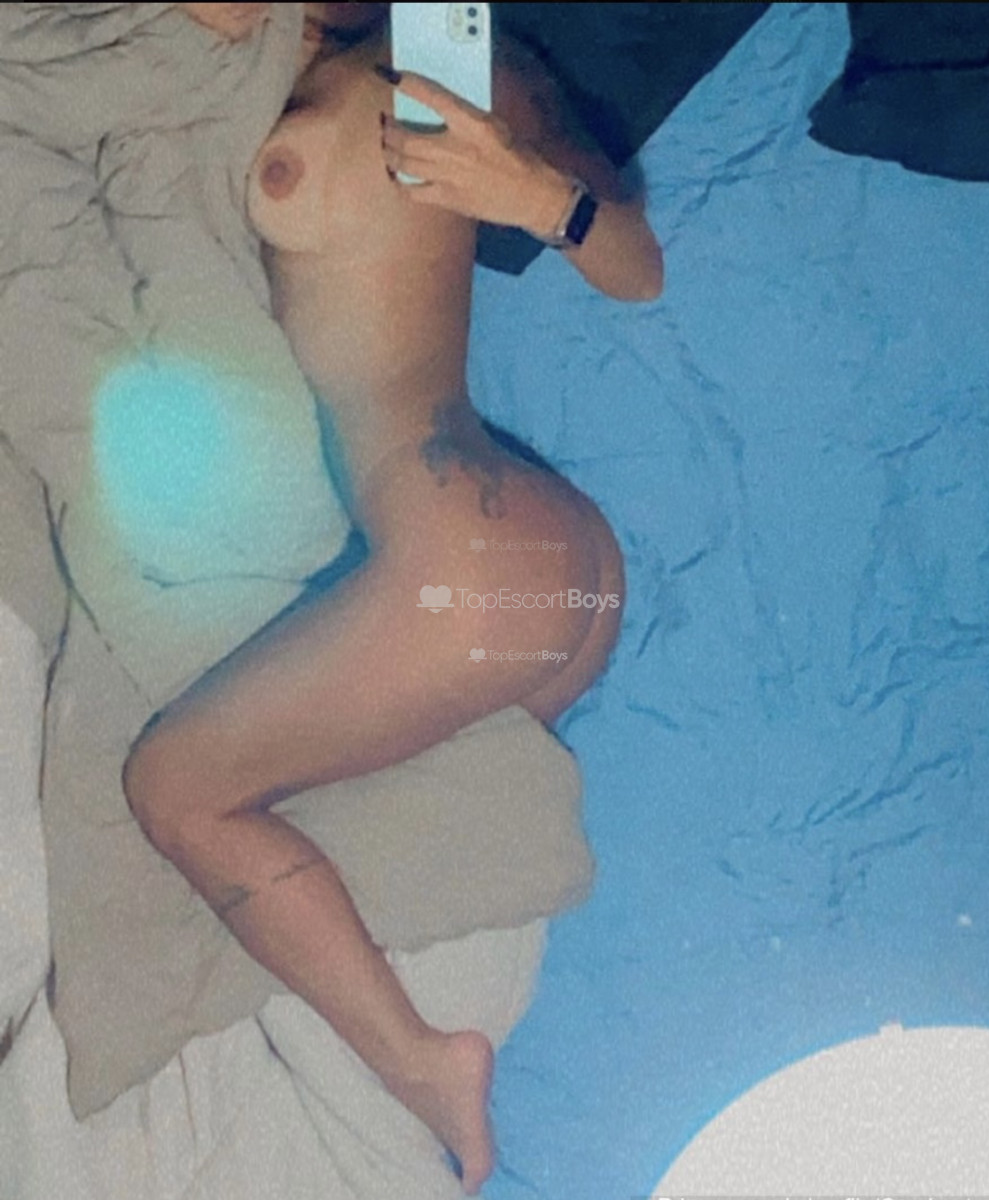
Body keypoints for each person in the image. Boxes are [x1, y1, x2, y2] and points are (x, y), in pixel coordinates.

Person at [125, 3, 663, 1193]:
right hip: (536, 571)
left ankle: (423, 1063)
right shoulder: (239, 56)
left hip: (468, 567)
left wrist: (542, 201)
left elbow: (635, 267)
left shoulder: (438, 50)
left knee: (175, 789)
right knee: (368, 835)